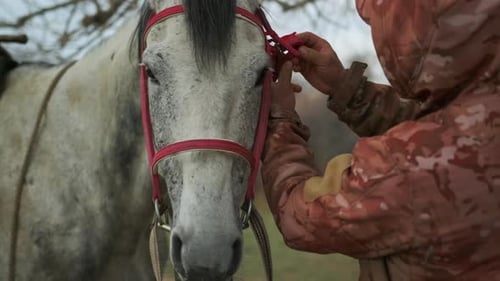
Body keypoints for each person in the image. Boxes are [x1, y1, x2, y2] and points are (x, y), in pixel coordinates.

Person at [262, 1, 500, 280]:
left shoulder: (405, 169)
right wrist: (345, 88)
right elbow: (448, 128)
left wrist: (281, 121)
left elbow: (299, 217)